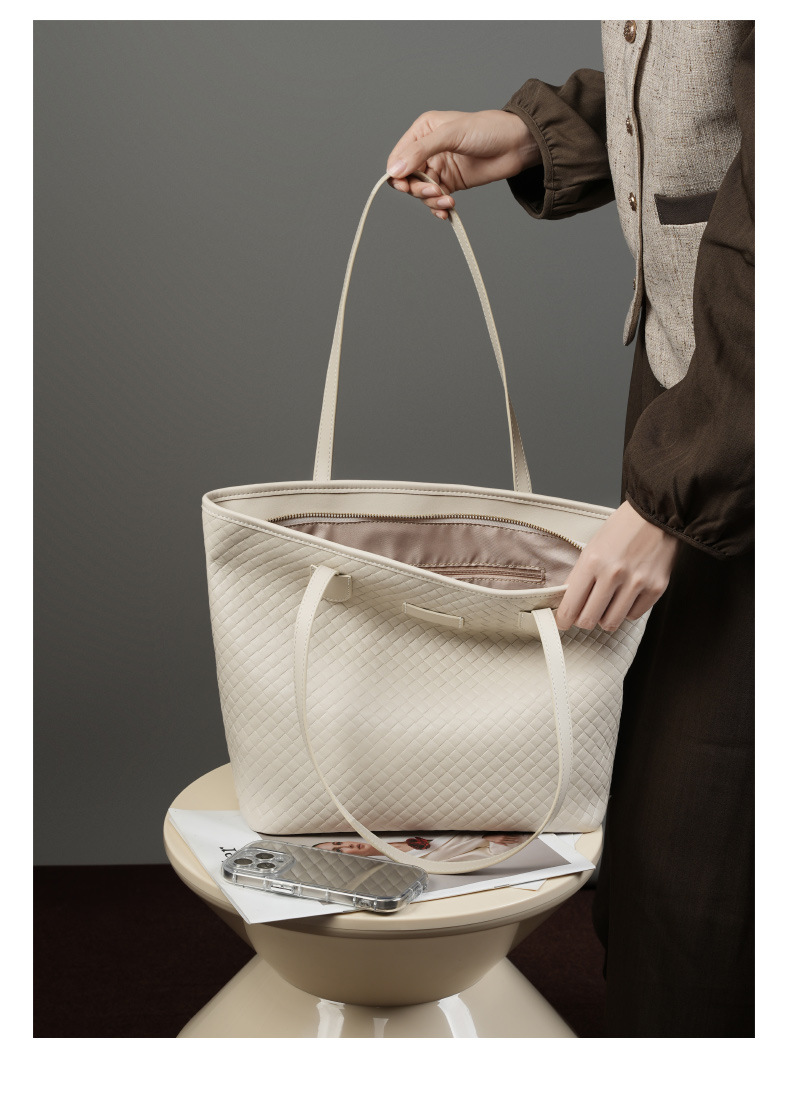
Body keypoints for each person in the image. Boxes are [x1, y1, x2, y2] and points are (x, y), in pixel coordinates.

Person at [385, 20, 754, 1037]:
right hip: (703, 387)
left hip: (741, 412)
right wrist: (536, 132)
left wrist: (673, 494)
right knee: (654, 829)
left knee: (703, 858)